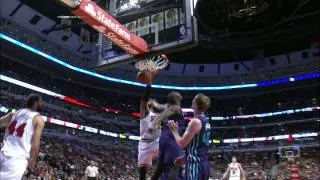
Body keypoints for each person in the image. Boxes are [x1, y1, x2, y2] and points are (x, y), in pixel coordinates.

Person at [0, 94, 45, 180]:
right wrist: (33, 160)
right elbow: (35, 145)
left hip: (3, 152)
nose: (42, 104)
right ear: (35, 103)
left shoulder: (15, 113)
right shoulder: (38, 119)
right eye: (40, 102)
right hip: (16, 160)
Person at [168, 93, 211, 180]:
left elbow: (181, 144)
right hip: (204, 163)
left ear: (195, 103)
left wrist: (174, 130)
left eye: (194, 98)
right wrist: (184, 158)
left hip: (195, 165)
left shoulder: (195, 121)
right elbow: (199, 147)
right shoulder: (206, 122)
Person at [151, 92, 185, 180]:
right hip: (172, 137)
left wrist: (153, 102)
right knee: (176, 163)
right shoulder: (175, 108)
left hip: (165, 136)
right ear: (177, 99)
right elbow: (161, 115)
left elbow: (159, 107)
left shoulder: (168, 106)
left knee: (161, 165)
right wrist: (154, 124)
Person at [138, 85, 163, 180]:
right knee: (142, 171)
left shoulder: (158, 115)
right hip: (145, 142)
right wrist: (148, 87)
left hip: (156, 141)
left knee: (163, 163)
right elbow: (143, 100)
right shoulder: (144, 113)